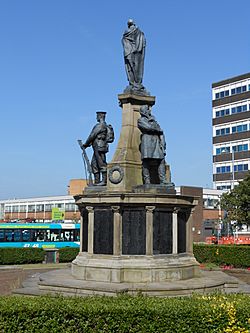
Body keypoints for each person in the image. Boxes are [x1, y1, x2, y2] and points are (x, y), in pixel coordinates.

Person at [138, 105, 167, 185]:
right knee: (146, 161)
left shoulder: (153, 120)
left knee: (161, 159)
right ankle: (147, 180)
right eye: (147, 110)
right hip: (147, 142)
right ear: (144, 112)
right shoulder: (141, 120)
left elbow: (160, 130)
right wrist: (156, 128)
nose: (149, 111)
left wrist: (162, 144)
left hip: (156, 142)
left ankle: (163, 180)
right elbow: (148, 128)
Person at [82, 112, 109, 186]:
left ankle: (104, 181)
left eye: (97, 116)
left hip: (99, 147)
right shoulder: (103, 125)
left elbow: (92, 135)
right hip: (97, 147)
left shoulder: (100, 125)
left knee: (101, 163)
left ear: (100, 116)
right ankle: (97, 181)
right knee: (94, 164)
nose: (96, 118)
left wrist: (86, 144)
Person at [122, 19, 146, 92]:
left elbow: (124, 43)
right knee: (136, 67)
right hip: (136, 52)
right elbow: (143, 44)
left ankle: (134, 83)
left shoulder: (127, 34)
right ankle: (136, 83)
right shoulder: (140, 33)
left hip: (130, 52)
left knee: (131, 68)